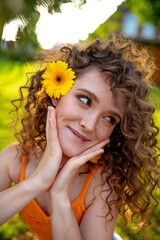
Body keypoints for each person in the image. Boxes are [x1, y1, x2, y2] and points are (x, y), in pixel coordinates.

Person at [0, 35, 159, 240]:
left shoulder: (104, 183)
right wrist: (38, 181)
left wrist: (60, 196)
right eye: (85, 100)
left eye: (109, 118)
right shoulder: (15, 157)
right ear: (58, 94)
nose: (89, 125)